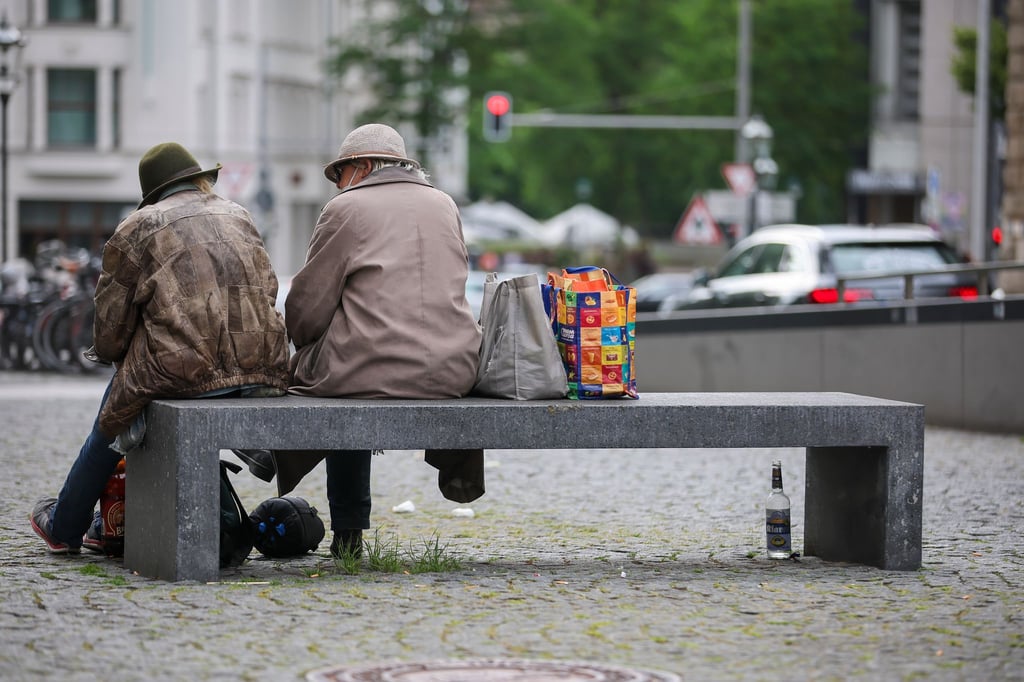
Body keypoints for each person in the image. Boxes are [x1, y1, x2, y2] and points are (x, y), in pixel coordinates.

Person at [30, 142, 291, 555]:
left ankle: (65, 526)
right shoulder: (238, 214)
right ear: (200, 179)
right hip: (265, 365)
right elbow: (267, 289)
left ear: (151, 194)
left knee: (113, 414)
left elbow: (111, 326)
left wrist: (119, 353)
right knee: (137, 387)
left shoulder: (137, 226)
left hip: (184, 370)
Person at [240, 123, 482, 559]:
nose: (338, 185)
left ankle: (293, 479)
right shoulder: (445, 204)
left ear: (364, 166)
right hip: (455, 368)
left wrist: (305, 340)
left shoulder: (346, 209)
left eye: (340, 175)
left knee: (332, 377)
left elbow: (309, 305)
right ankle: (279, 465)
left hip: (372, 367)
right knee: (348, 365)